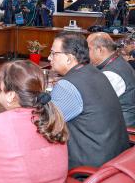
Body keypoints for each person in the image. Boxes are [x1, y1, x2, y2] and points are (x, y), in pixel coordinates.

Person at [48, 32, 129, 169]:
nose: (49, 58)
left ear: (69, 58)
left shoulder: (67, 86)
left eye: (53, 53)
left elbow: (46, 126)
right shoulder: (96, 73)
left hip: (90, 166)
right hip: (115, 157)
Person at [87, 32, 135, 127]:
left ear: (100, 50)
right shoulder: (118, 61)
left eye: (89, 49)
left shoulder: (112, 74)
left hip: (120, 129)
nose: (86, 53)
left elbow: (92, 106)